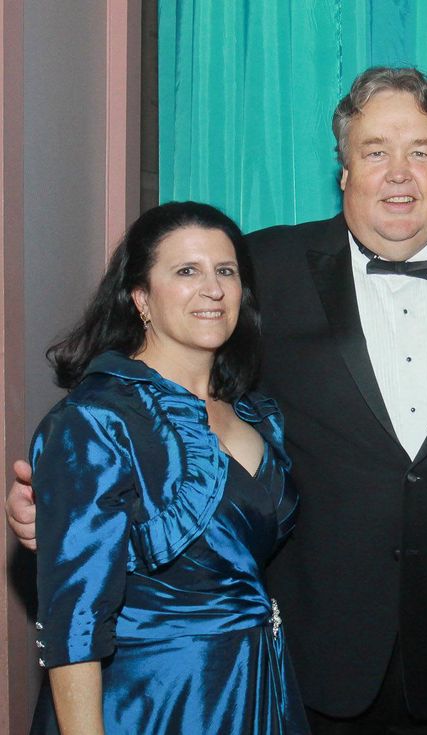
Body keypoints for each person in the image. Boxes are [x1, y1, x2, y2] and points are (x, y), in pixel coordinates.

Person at [9, 67, 427, 733]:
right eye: (375, 152)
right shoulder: (261, 268)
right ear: (343, 172)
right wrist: (59, 502)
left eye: (420, 152)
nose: (399, 174)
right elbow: (153, 388)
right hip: (308, 666)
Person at [26, 202, 308, 734]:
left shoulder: (256, 413)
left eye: (226, 271)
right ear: (140, 298)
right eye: (186, 271)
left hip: (254, 687)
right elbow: (75, 621)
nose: (214, 288)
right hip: (152, 702)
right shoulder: (96, 419)